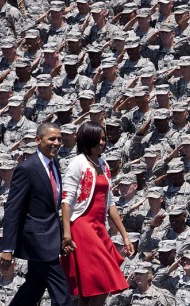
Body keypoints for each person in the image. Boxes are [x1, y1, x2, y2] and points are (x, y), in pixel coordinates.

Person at [60, 121, 134, 306]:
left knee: (89, 289)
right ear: (88, 139)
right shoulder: (77, 163)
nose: (102, 142)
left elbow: (110, 203)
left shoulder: (103, 164)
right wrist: (67, 233)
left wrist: (125, 236)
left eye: (104, 138)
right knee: (103, 280)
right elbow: (66, 201)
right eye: (98, 138)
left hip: (99, 227)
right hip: (82, 226)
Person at [0, 122, 71, 306]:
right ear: (38, 140)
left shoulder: (55, 163)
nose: (56, 143)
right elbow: (13, 209)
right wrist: (7, 248)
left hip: (51, 237)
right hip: (37, 241)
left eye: (59, 139)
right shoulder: (27, 168)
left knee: (33, 288)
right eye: (51, 139)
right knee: (62, 295)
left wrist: (62, 235)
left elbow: (52, 206)